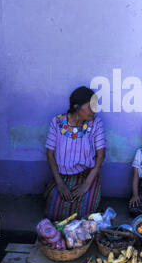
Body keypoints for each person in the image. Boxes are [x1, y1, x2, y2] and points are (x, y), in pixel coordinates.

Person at [44, 86, 106, 221]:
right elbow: (50, 154)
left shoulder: (96, 123)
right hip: (62, 176)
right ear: (76, 107)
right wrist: (60, 183)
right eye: (90, 107)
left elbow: (101, 156)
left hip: (87, 175)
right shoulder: (57, 123)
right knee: (54, 214)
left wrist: (87, 185)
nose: (94, 110)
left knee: (85, 214)